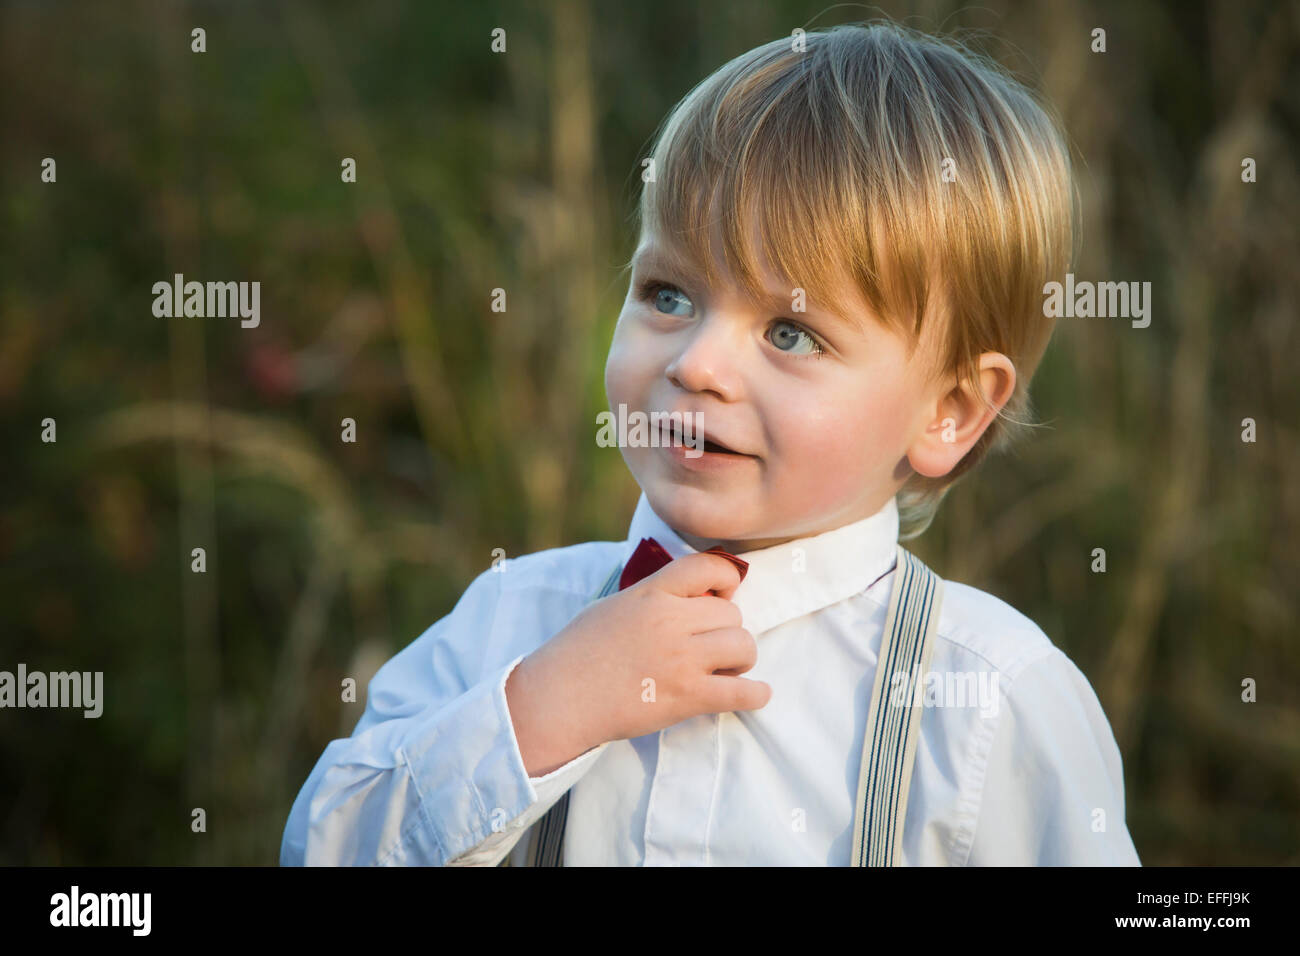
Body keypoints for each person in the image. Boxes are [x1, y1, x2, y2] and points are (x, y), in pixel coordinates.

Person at [281, 19, 1140, 866]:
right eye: (668, 294)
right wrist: (540, 713)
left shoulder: (993, 700)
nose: (697, 364)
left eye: (792, 334)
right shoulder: (512, 620)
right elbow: (324, 849)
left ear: (948, 411)